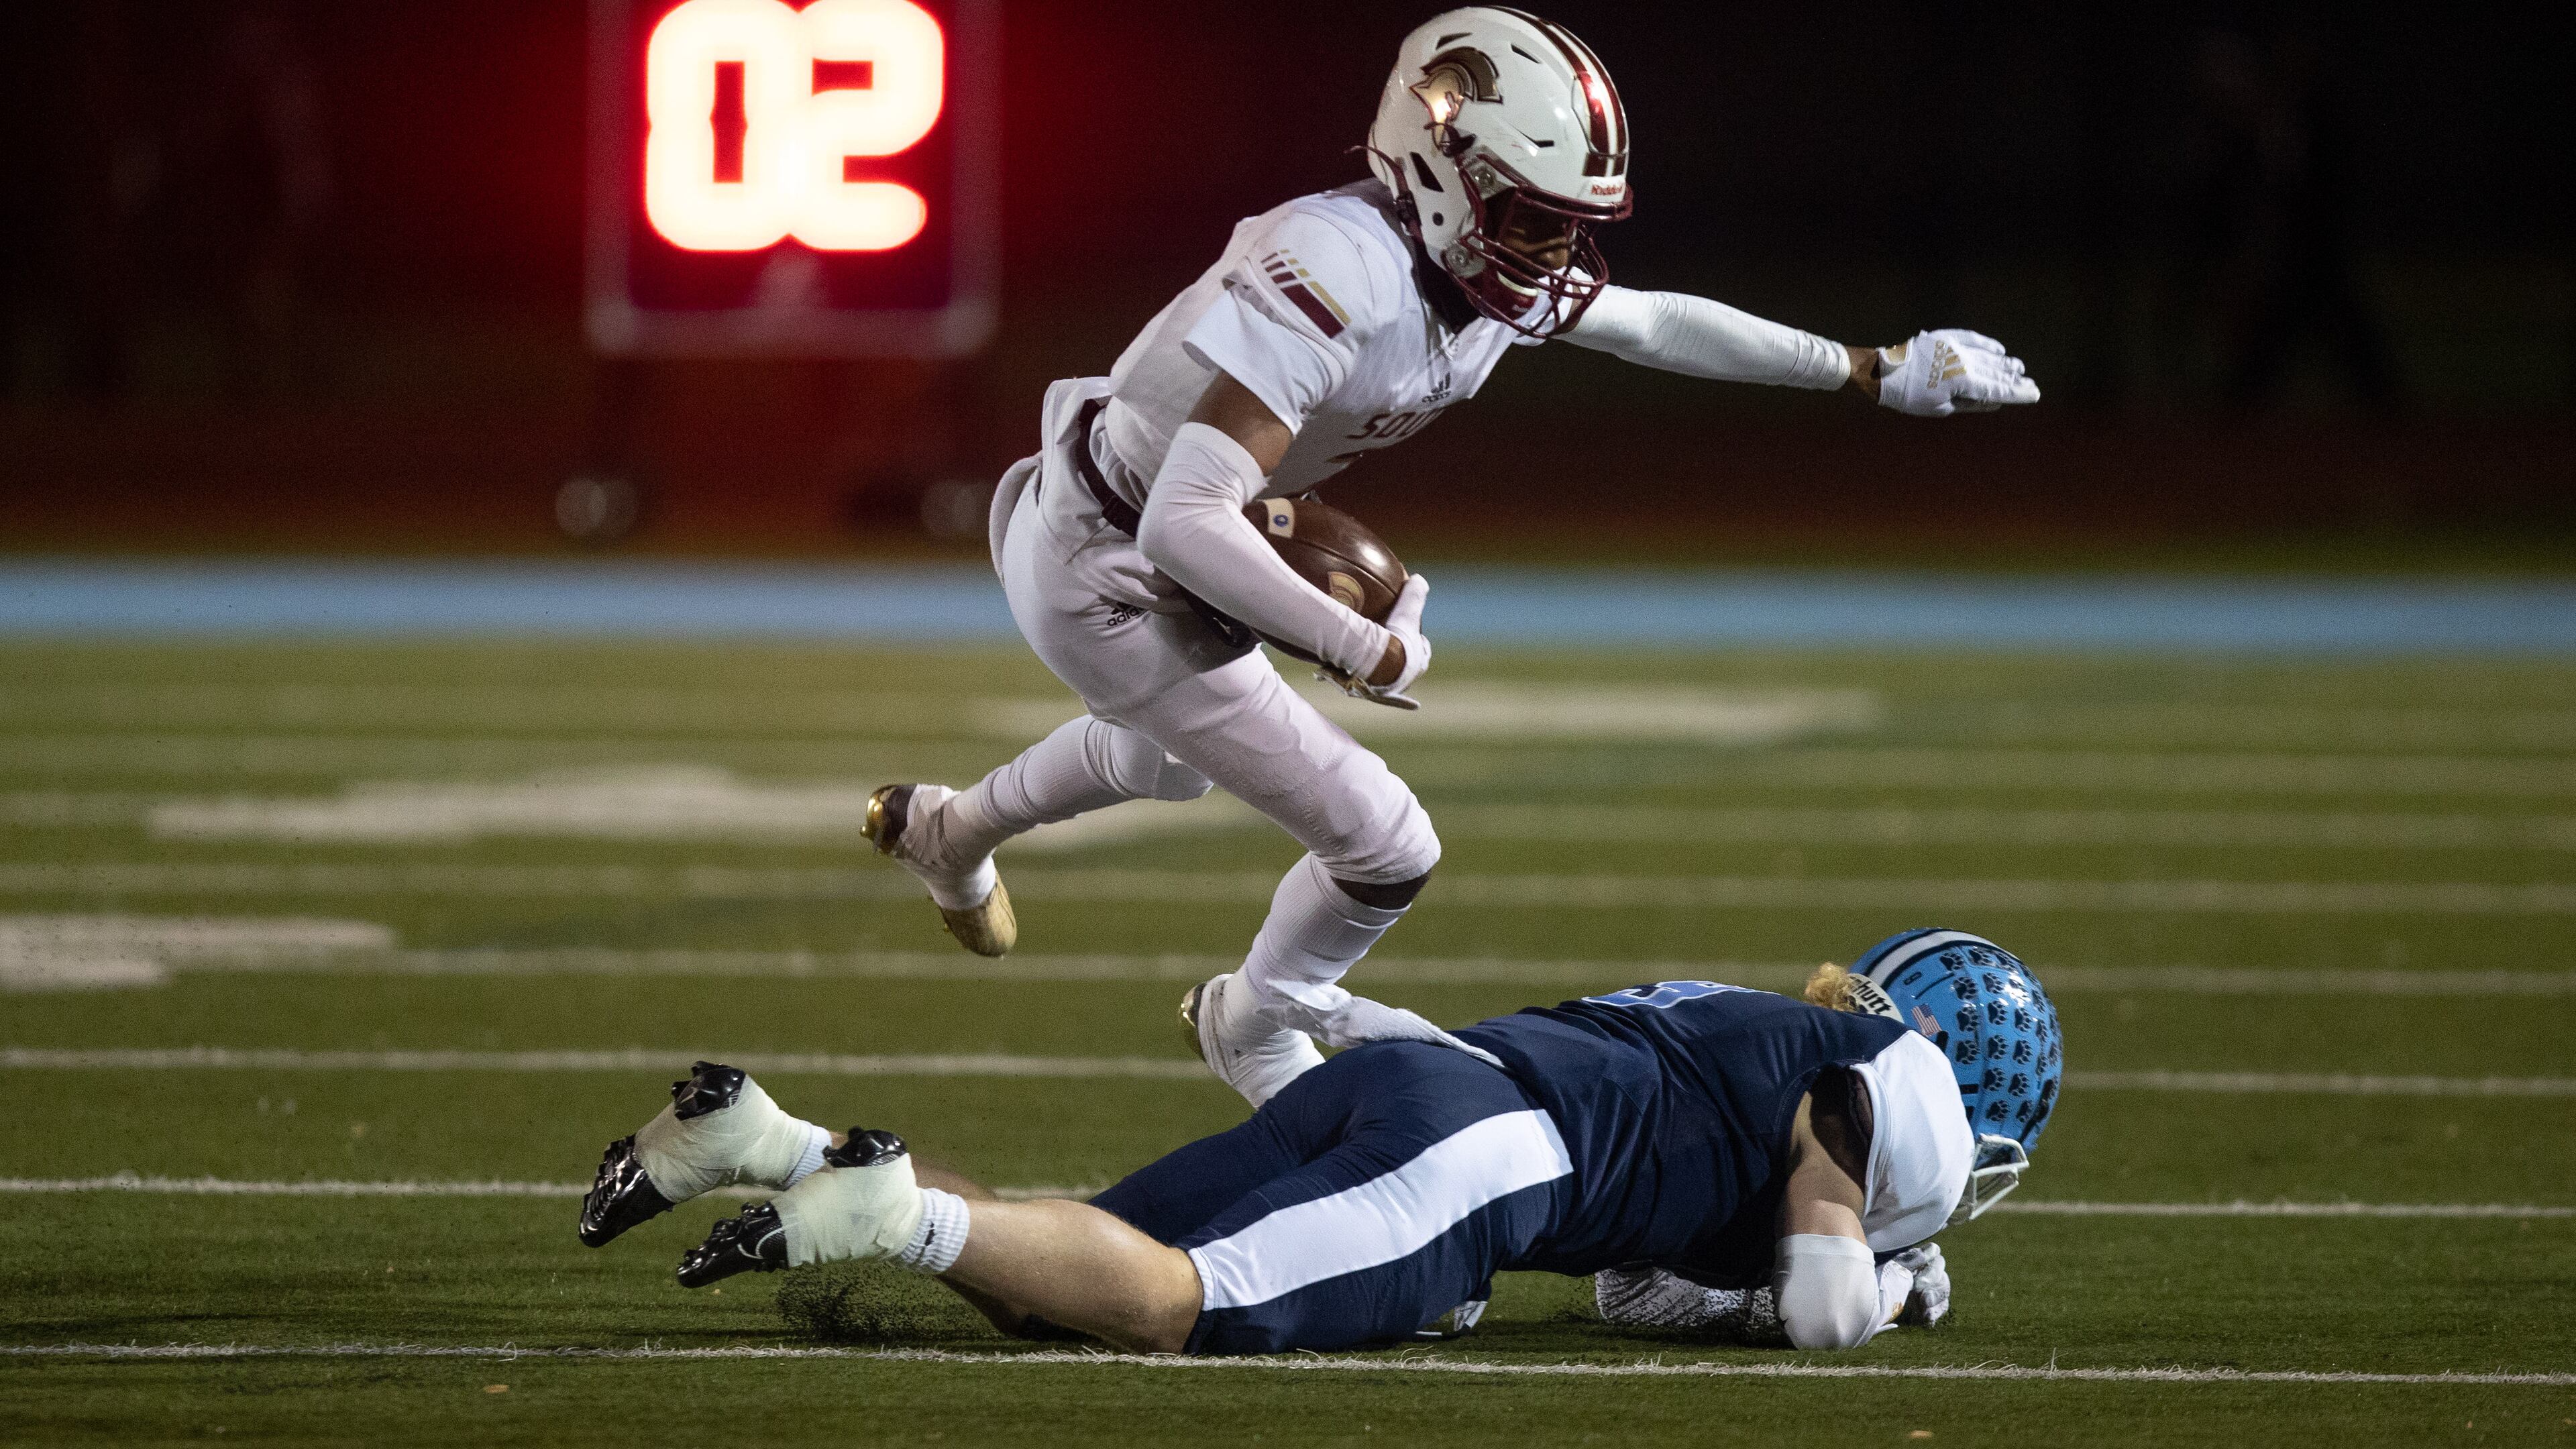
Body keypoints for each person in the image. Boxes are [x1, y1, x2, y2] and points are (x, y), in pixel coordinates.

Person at [851, 8, 2042, 1107]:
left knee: (1169, 764)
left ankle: (947, 835)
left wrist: (1869, 368)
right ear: (1437, 164)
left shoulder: (1470, 269)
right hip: (1104, 559)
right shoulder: (1334, 268)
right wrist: (1362, 643)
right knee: (1384, 845)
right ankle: (1255, 1028)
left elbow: (1656, 322)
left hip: (1160, 522)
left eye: (1569, 221)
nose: (1553, 250)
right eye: (1532, 215)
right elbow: (1181, 520)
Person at [577, 930, 2061, 1354]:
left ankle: (770, 1143)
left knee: (1063, 1271)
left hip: (1433, 1082)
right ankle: (889, 1212)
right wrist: (1881, 1280)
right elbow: (1814, 1309)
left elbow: (1634, 1288)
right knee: (1171, 1305)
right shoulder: (1892, 1094)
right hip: (1486, 1157)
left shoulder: (1759, 1022)